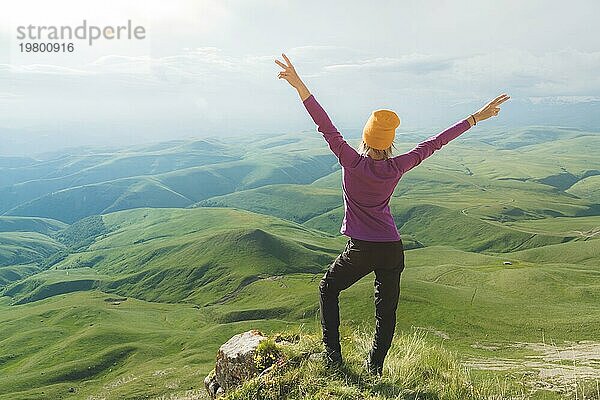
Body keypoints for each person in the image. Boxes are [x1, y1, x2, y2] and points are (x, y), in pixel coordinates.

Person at [275, 53, 509, 376]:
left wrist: (299, 84)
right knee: (385, 313)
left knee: (328, 289)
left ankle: (333, 359)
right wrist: (476, 118)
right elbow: (435, 143)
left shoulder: (350, 161)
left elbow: (323, 123)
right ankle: (375, 368)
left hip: (361, 249)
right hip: (391, 249)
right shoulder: (397, 166)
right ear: (390, 143)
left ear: (365, 137)